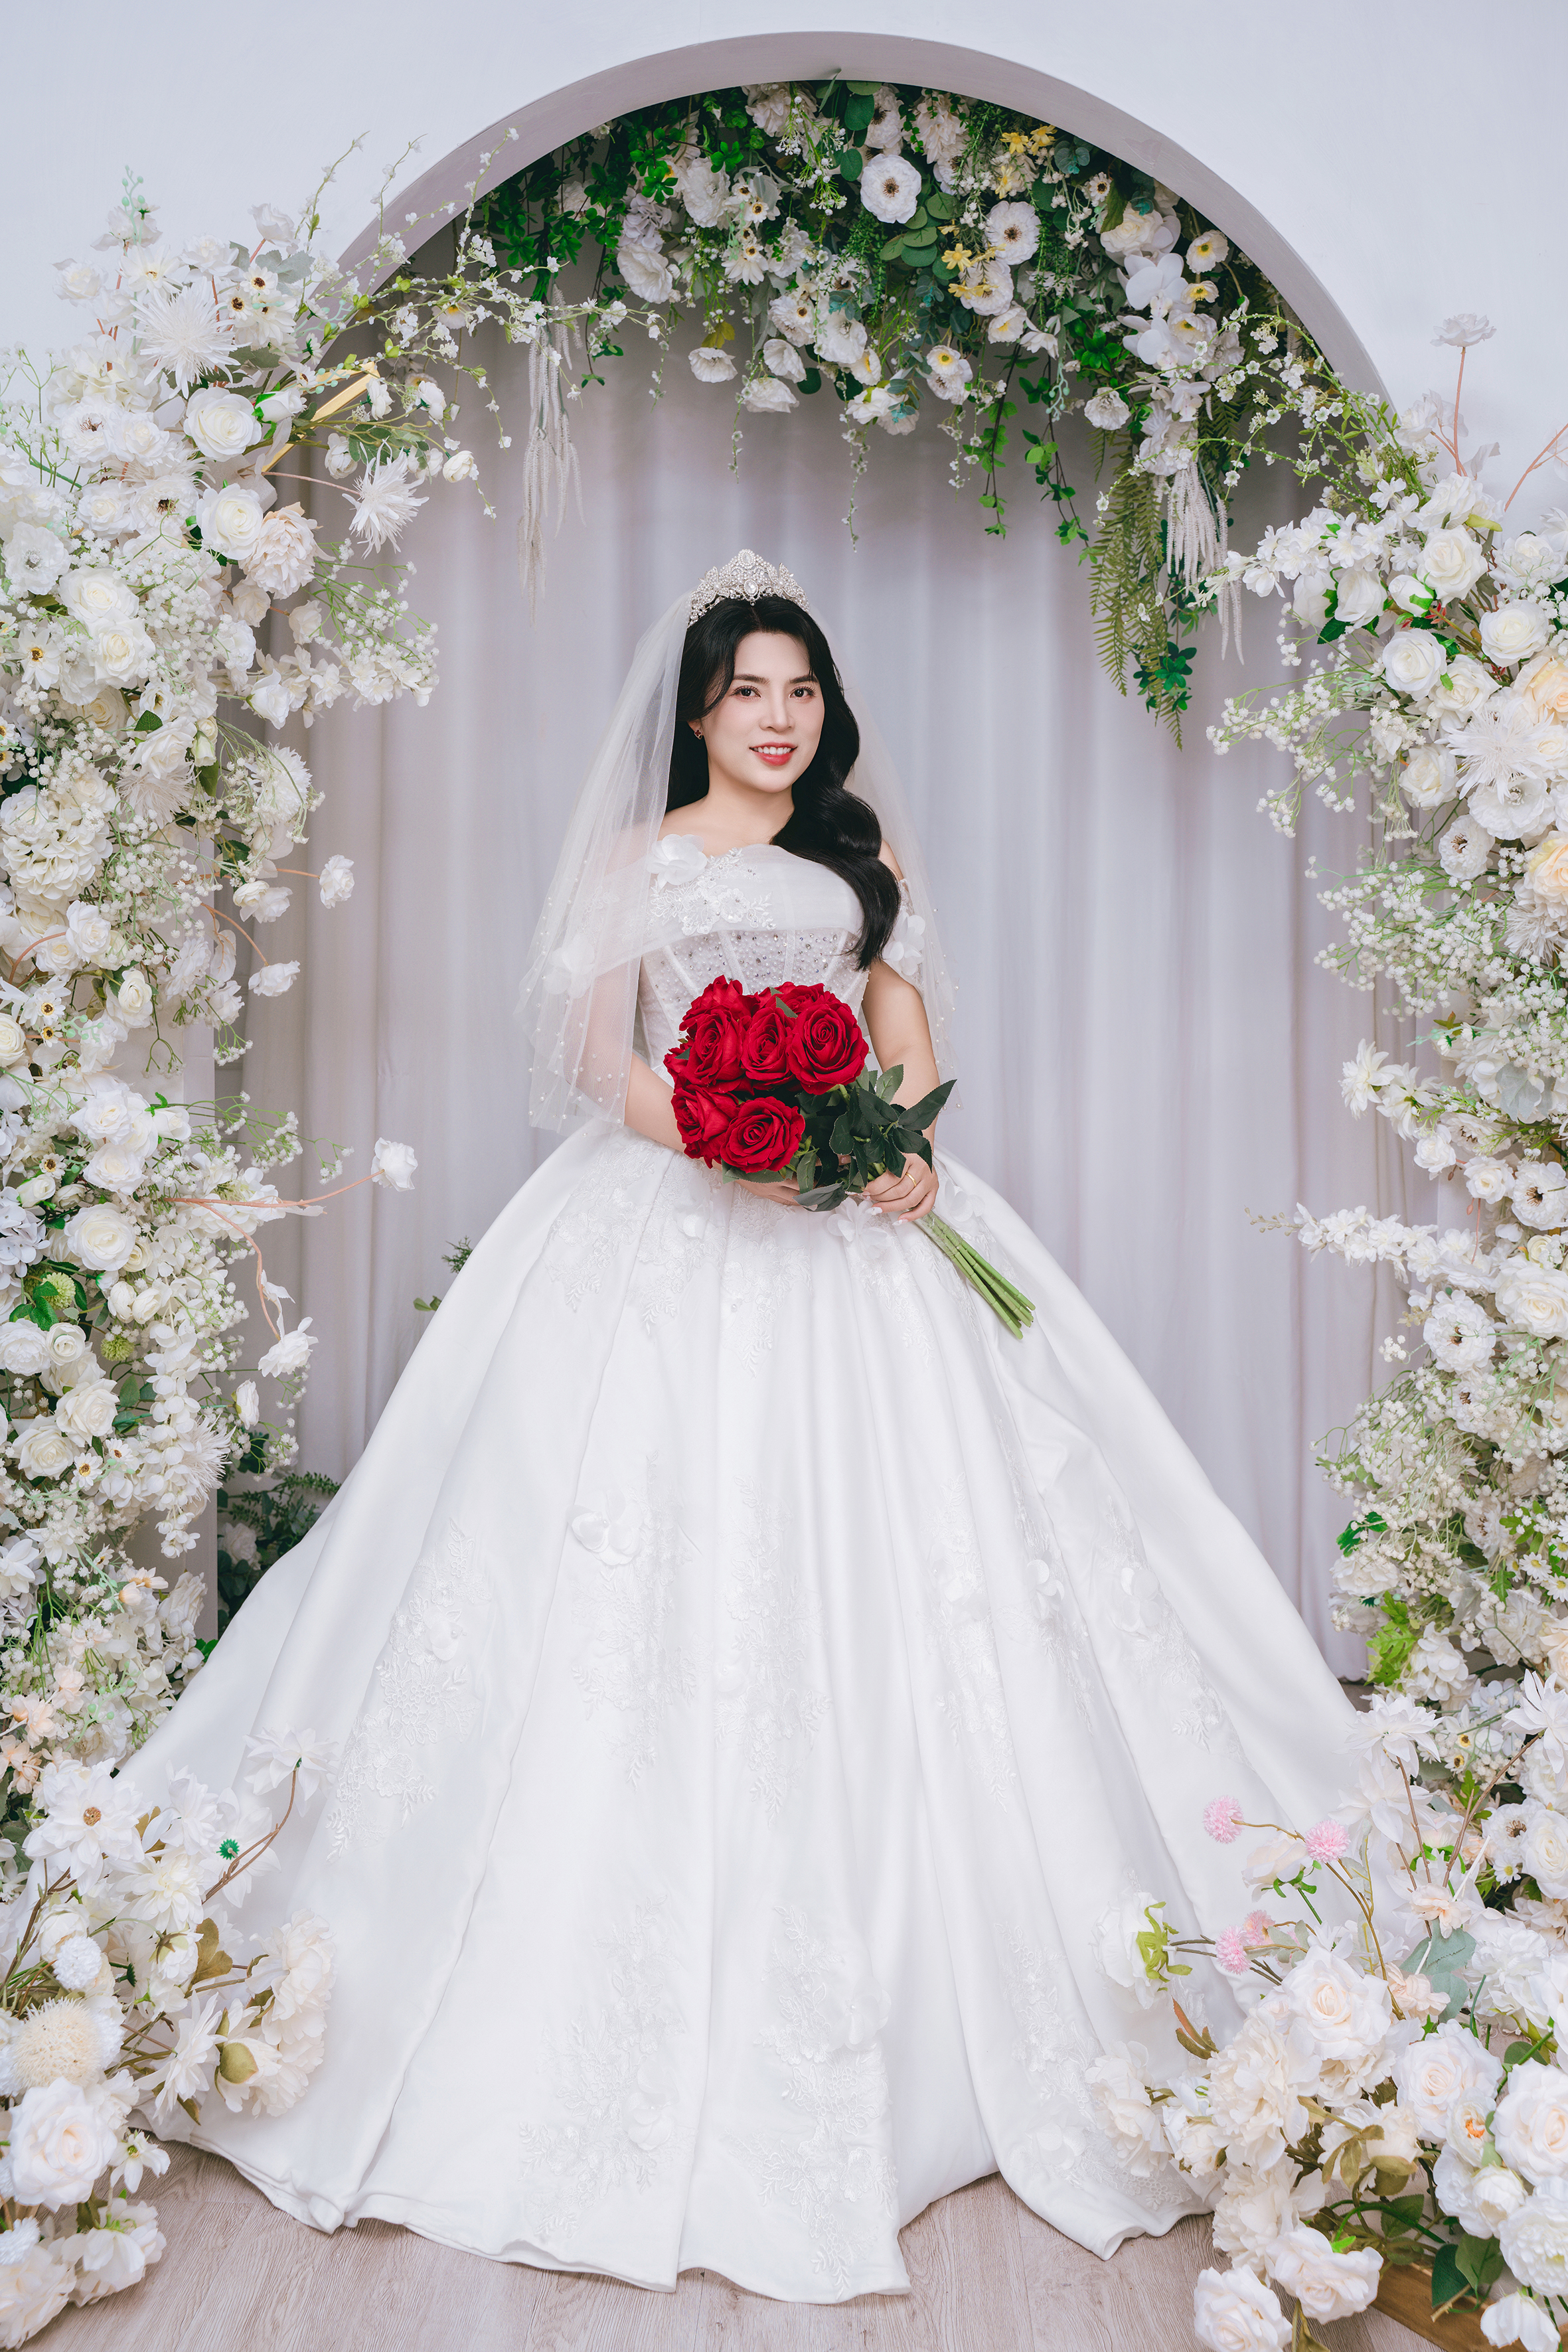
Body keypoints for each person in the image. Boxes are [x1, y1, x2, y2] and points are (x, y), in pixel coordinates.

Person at [129, 550, 1354, 2304]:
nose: (777, 719)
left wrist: (899, 1134)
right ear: (697, 712)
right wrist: (732, 1142)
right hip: (669, 1223)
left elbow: (898, 1014)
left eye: (799, 690)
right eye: (747, 692)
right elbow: (586, 1056)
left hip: (866, 1224)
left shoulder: (857, 855)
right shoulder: (640, 867)